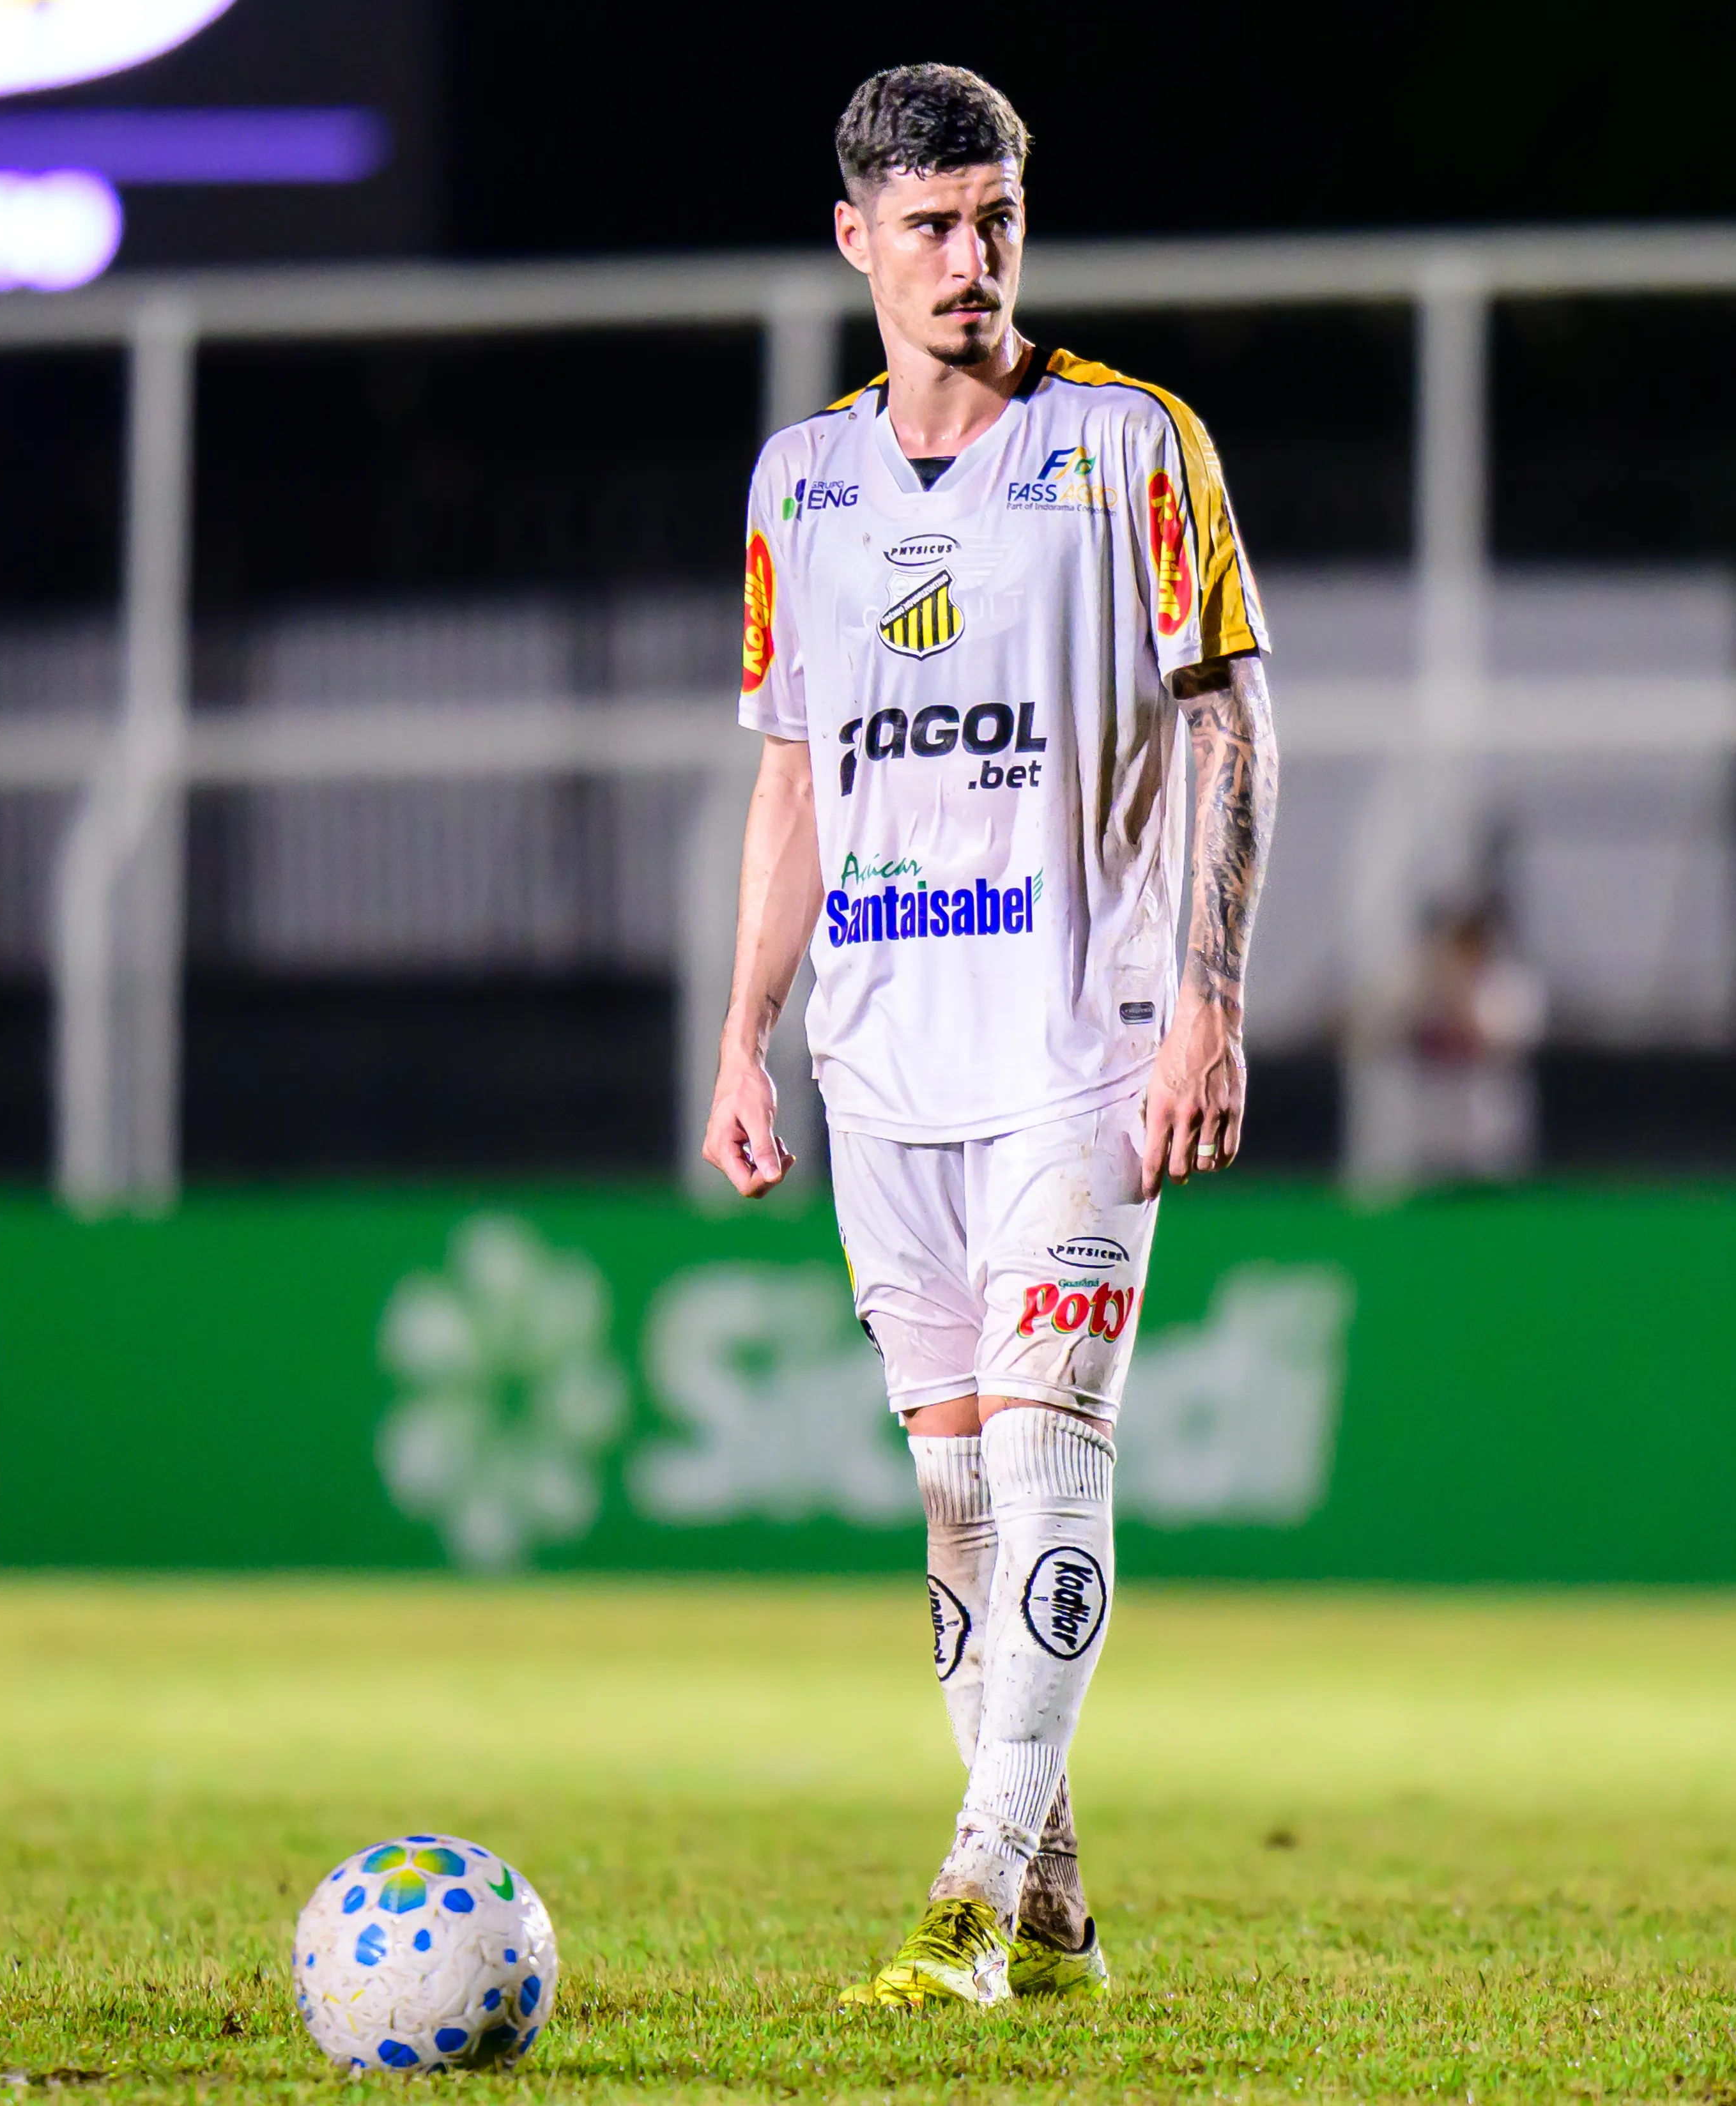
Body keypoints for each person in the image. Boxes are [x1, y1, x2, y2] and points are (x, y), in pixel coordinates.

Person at [698, 64, 1275, 2010]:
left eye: (997, 217)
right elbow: (791, 780)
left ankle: (962, 1893)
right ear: (855, 240)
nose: (972, 257)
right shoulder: (803, 485)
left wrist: (1205, 994)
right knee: (950, 1496)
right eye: (932, 224)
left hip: (1077, 1046)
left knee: (1045, 1466)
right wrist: (741, 1032)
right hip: (883, 1064)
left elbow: (1227, 720)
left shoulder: (1132, 447)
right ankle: (1057, 1913)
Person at [1390, 900, 1547, 1180]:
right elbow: (1402, 1031)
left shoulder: (1508, 983)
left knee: (1493, 1179)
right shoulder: (1428, 979)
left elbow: (1506, 1039)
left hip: (1490, 1109)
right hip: (1435, 1109)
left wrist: (1461, 1011)